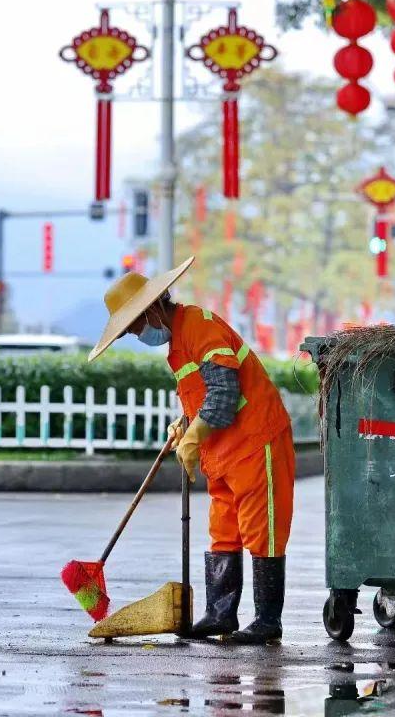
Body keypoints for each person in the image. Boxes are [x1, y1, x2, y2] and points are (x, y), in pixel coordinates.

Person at [88, 256, 296, 644]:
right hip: (223, 453)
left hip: (255, 441)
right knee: (224, 532)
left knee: (261, 530)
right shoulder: (177, 345)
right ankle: (220, 615)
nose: (136, 335)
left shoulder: (198, 325)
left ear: (151, 310)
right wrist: (184, 424)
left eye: (133, 327)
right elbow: (202, 396)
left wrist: (195, 433)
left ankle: (268, 621)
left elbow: (225, 391)